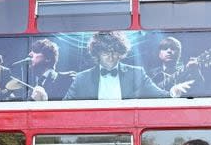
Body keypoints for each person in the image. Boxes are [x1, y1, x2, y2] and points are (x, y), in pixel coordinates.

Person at [64, 31, 193, 100]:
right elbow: (64, 108)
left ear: (121, 52)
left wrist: (173, 92)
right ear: (97, 53)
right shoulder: (81, 78)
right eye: (105, 52)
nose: (110, 56)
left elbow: (158, 95)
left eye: (114, 52)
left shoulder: (137, 73)